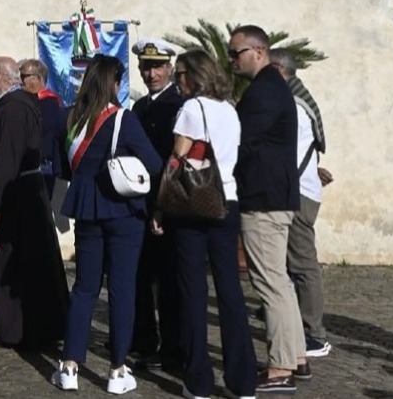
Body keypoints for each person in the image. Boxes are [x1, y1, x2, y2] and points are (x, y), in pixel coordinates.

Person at [51, 55, 161, 395]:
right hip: (124, 211)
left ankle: (69, 366)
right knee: (122, 289)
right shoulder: (123, 120)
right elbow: (154, 163)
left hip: (86, 207)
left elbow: (62, 167)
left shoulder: (68, 117)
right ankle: (117, 370)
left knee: (84, 288)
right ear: (114, 83)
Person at [155, 50, 257, 399]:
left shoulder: (191, 109)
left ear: (192, 75)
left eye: (179, 73)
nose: (176, 80)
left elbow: (177, 158)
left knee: (193, 291)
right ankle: (243, 380)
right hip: (228, 202)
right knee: (230, 292)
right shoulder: (229, 109)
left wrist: (160, 205)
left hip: (195, 205)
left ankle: (198, 378)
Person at [229, 25, 308, 392]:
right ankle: (296, 357)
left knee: (270, 283)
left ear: (258, 51)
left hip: (264, 199)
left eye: (236, 53)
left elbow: (242, 145)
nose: (232, 61)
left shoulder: (263, 91)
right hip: (275, 196)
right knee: (280, 282)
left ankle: (280, 367)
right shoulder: (272, 88)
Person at [0, 56, 68, 350]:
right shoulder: (15, 105)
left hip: (16, 195)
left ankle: (18, 330)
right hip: (22, 191)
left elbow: (7, 157)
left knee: (16, 264)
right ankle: (30, 328)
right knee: (31, 263)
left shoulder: (15, 108)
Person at [270, 48, 333, 358]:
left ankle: (314, 334)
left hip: (295, 195)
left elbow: (286, 156)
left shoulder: (292, 107)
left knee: (302, 263)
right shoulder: (295, 100)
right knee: (290, 262)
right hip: (296, 191)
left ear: (280, 70)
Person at [129, 38, 185, 369]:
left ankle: (174, 348)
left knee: (169, 283)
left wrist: (162, 205)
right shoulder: (140, 108)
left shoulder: (177, 105)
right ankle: (145, 341)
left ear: (169, 69)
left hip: (168, 204)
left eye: (157, 67)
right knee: (140, 277)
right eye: (146, 67)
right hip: (141, 203)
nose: (151, 74)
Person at [18, 58, 66, 200]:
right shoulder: (29, 101)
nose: (20, 82)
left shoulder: (49, 103)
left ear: (38, 79)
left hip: (40, 167)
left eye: (23, 77)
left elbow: (43, 133)